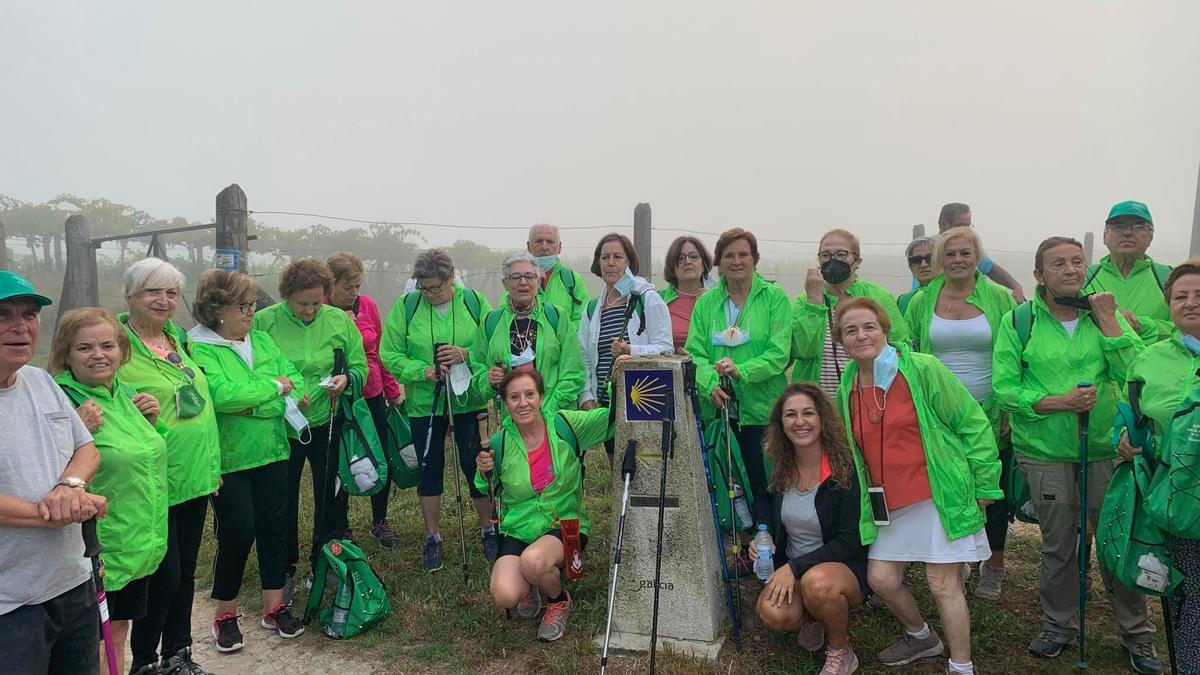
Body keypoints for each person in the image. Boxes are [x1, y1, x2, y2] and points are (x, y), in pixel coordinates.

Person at [992, 236, 1160, 673]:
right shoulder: (1020, 321)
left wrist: (1109, 324)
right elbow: (1005, 387)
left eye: (1077, 262)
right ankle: (1058, 625)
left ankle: (1137, 634)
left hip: (1105, 446)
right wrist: (1058, 402)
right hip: (1045, 451)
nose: (1070, 270)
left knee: (1112, 540)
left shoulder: (1104, 314)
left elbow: (1135, 373)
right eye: (1058, 264)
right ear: (1039, 275)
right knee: (1060, 543)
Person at [834, 297, 1001, 675]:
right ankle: (922, 636)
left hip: (936, 494)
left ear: (884, 331)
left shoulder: (922, 369)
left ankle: (962, 667)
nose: (861, 336)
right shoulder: (848, 384)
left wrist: (986, 482)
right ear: (841, 341)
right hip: (889, 501)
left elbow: (972, 422)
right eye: (851, 330)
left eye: (869, 327)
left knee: (942, 584)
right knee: (880, 579)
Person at [189, 270, 306, 652]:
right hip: (229, 458)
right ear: (216, 308)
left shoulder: (261, 339)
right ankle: (225, 612)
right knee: (238, 531)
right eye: (242, 305)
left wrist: (255, 403)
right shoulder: (200, 346)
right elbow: (221, 396)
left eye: (252, 304)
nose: (251, 311)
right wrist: (273, 392)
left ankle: (274, 607)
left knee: (275, 527)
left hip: (273, 450)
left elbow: (297, 382)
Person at [0, 271, 107, 674]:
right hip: (10, 605)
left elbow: (86, 448)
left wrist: (70, 486)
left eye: (28, 314)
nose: (20, 326)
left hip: (71, 583)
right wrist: (63, 511)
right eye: (3, 315)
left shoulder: (39, 381)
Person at [903, 226, 1018, 600]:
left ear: (977, 257)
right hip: (939, 413)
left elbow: (1014, 355)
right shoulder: (922, 301)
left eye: (965, 253)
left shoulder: (1000, 298)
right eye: (949, 253)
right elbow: (911, 350)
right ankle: (958, 556)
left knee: (991, 488)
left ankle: (995, 565)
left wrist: (1006, 407)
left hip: (989, 408)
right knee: (947, 483)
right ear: (939, 260)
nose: (957, 260)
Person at [51, 308, 167, 675]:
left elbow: (141, 459)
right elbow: (43, 474)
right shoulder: (61, 401)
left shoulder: (124, 394)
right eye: (85, 347)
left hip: (136, 542)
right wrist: (74, 430)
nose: (99, 354)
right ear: (66, 355)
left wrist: (149, 422)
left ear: (122, 351)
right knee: (93, 645)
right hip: (98, 547)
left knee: (117, 630)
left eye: (108, 345)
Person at [119, 258, 221, 675]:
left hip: (194, 476)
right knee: (162, 576)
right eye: (152, 291)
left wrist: (213, 469)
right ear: (130, 296)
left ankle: (178, 653)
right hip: (151, 482)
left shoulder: (179, 339)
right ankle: (144, 662)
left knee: (184, 576)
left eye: (171, 293)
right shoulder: (115, 343)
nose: (163, 301)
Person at [253, 258, 367, 593]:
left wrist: (348, 378)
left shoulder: (338, 321)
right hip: (282, 426)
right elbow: (253, 368)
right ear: (286, 296)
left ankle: (326, 559)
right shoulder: (263, 322)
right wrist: (280, 387)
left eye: (317, 302)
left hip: (327, 421)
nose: (309, 310)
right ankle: (283, 569)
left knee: (330, 497)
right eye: (302, 303)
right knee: (280, 500)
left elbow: (361, 365)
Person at [380, 249, 497, 571]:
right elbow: (389, 353)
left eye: (436, 287)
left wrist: (466, 354)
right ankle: (432, 537)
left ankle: (488, 527)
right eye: (424, 288)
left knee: (478, 464)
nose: (430, 294)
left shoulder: (473, 302)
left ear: (450, 278)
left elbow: (492, 344)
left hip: (469, 400)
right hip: (423, 404)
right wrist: (423, 371)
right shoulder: (407, 306)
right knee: (429, 468)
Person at [475, 369, 612, 642]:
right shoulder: (500, 443)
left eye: (529, 394)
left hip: (564, 523)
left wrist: (617, 382)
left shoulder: (564, 425)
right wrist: (482, 471)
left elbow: (612, 418)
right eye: (514, 397)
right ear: (504, 403)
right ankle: (531, 585)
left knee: (533, 561)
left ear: (541, 397)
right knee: (504, 594)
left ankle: (558, 599)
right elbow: (484, 487)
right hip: (519, 528)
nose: (523, 403)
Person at [684, 228, 793, 540]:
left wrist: (740, 371)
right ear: (718, 262)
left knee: (767, 480)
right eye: (729, 255)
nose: (736, 261)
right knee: (730, 480)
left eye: (743, 254)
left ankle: (776, 547)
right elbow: (695, 352)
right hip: (720, 409)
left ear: (755, 259)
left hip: (763, 409)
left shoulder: (775, 298)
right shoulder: (706, 304)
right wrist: (709, 384)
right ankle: (744, 544)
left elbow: (778, 353)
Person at [752, 382, 867, 675]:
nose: (799, 422)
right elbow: (765, 504)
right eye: (790, 415)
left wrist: (795, 568)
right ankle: (815, 616)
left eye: (808, 413)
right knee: (773, 614)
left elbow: (850, 541)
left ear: (822, 419)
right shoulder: (780, 465)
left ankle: (841, 651)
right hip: (796, 564)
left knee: (817, 583)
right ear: (781, 423)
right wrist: (761, 537)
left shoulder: (845, 469)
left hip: (842, 566)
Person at [1120, 259, 1200, 667]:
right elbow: (1136, 418)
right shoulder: (1150, 359)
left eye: (1199, 295)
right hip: (1175, 497)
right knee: (1184, 594)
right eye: (1180, 296)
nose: (1190, 303)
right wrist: (1127, 439)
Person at [326, 251, 405, 548]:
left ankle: (380, 520)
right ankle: (342, 526)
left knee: (378, 454)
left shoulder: (368, 306)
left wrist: (392, 390)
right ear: (330, 284)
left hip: (371, 393)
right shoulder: (319, 311)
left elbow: (380, 351)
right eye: (348, 287)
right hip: (338, 399)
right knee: (341, 460)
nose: (354, 293)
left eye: (358, 286)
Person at [792, 229, 911, 397]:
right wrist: (814, 304)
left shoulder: (878, 296)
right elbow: (802, 351)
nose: (832, 260)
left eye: (841, 254)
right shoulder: (805, 300)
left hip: (869, 398)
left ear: (857, 260)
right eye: (825, 255)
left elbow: (901, 345)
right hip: (818, 402)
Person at [577, 233, 672, 434]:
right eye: (605, 257)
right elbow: (583, 357)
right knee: (615, 463)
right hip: (605, 407)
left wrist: (631, 350)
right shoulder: (592, 308)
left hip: (644, 405)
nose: (610, 263)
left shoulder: (649, 300)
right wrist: (587, 397)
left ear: (629, 262)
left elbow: (667, 349)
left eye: (618, 257)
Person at [470, 251, 585, 415]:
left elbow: (574, 372)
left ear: (538, 281)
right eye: (515, 277)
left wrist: (545, 409)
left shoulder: (557, 317)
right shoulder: (491, 322)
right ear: (505, 283)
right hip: (510, 421)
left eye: (529, 276)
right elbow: (477, 370)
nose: (523, 282)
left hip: (552, 417)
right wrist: (488, 381)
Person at [1083, 200, 1173, 344]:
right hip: (1098, 366)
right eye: (1119, 226)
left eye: (1138, 227)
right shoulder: (1083, 276)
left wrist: (1142, 325)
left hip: (1154, 365)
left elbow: (1189, 328)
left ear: (1150, 237)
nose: (1127, 233)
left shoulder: (1171, 277)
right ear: (1105, 236)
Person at [937, 202, 1026, 302]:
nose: (966, 231)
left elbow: (991, 269)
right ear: (942, 224)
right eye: (960, 226)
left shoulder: (971, 249)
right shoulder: (925, 253)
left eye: (968, 226)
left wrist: (1016, 287)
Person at [524, 223, 590, 329]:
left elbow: (583, 320)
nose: (544, 247)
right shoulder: (517, 279)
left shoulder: (572, 279)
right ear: (529, 246)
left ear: (559, 247)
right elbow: (506, 315)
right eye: (539, 241)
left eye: (550, 241)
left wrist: (558, 338)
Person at [660, 235, 714, 353]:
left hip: (711, 369)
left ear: (704, 265)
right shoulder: (659, 300)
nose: (688, 262)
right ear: (672, 267)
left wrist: (711, 299)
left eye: (694, 257)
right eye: (680, 258)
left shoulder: (718, 298)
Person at [896, 236, 936, 314]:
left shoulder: (955, 296)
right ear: (910, 267)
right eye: (916, 260)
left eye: (930, 258)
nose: (923, 264)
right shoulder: (904, 301)